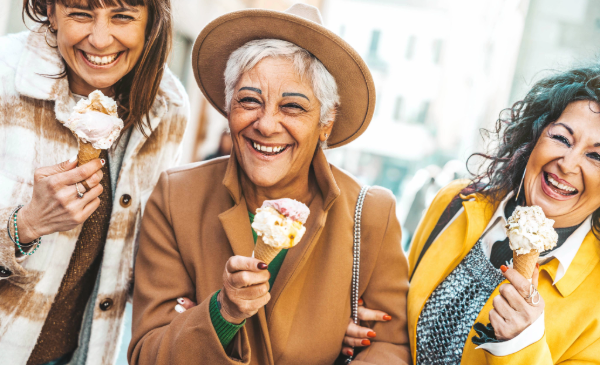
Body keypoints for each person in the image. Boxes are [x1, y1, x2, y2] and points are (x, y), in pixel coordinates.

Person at [128, 4, 410, 364]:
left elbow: (391, 349)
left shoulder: (369, 213)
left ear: (326, 121)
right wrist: (220, 313)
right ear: (229, 106)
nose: (266, 124)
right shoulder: (176, 197)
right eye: (249, 100)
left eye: (292, 107)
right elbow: (146, 355)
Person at [360, 65, 600, 364]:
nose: (568, 163)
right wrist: (362, 326)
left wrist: (523, 344)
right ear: (534, 138)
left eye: (596, 156)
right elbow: (396, 320)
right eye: (561, 138)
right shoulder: (456, 202)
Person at [0, 0, 189, 364]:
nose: (101, 40)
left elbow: (141, 261)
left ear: (151, 21)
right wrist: (24, 225)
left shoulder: (168, 108)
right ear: (51, 12)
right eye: (81, 13)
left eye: (122, 16)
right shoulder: (4, 77)